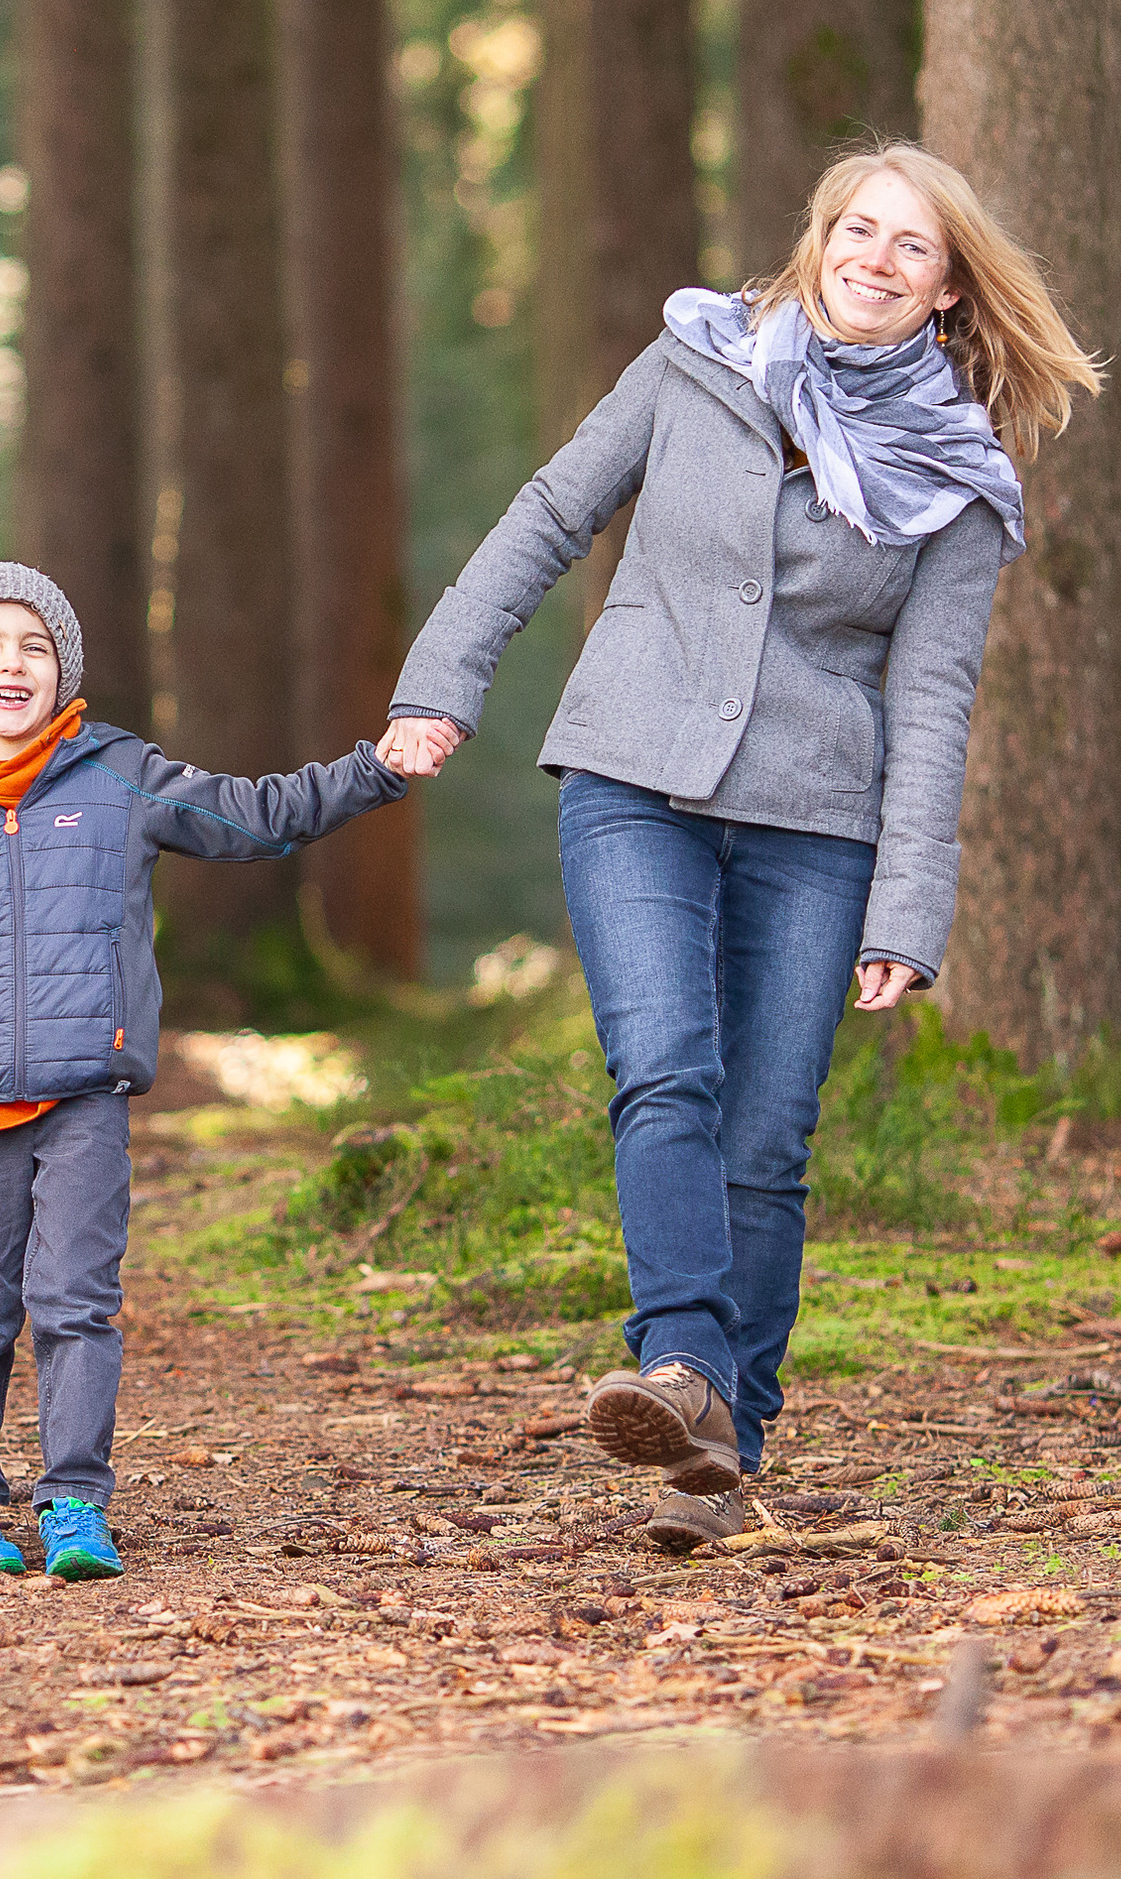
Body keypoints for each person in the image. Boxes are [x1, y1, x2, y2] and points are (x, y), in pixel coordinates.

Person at [383, 142, 1100, 1552]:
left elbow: (934, 695)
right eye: (858, 229)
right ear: (819, 236)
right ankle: (683, 1365)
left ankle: (725, 1453)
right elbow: (550, 515)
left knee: (768, 1135)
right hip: (634, 773)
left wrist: (911, 903)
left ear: (949, 289)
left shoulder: (960, 475)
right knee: (666, 1069)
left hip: (816, 818)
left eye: (912, 246)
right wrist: (437, 682)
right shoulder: (698, 359)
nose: (875, 257)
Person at [0, 562, 407, 1581]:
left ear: (63, 674)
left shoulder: (118, 775)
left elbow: (257, 814)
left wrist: (378, 768)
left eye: (34, 646)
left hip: (85, 1098)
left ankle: (73, 1504)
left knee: (75, 1300)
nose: (10, 663)